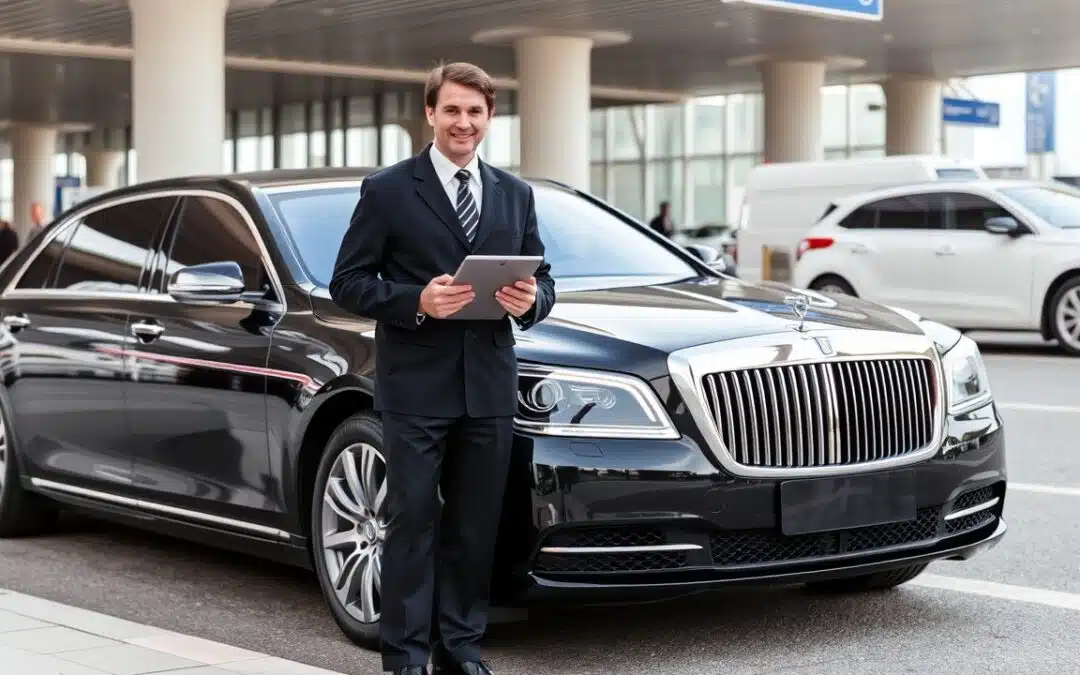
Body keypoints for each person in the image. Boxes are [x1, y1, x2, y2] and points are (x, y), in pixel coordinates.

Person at [329, 61, 556, 675]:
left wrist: (532, 300)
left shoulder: (516, 193)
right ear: (430, 113)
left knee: (474, 527)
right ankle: (404, 658)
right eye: (452, 110)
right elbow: (346, 282)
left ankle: (460, 648)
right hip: (415, 386)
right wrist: (415, 301)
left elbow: (545, 278)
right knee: (412, 522)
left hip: (488, 385)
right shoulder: (389, 189)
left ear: (489, 119)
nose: (464, 122)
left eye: (475, 112)